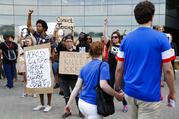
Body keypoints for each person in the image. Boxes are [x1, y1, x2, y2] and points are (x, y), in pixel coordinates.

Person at [115, 1, 176, 119]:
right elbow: (168, 70)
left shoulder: (126, 39)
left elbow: (119, 69)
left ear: (136, 17)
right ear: (152, 16)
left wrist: (117, 88)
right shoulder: (162, 39)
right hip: (149, 96)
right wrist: (172, 92)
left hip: (130, 93)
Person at [64, 41, 124, 119]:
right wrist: (117, 95)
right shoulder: (104, 65)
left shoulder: (84, 67)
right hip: (93, 105)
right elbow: (103, 85)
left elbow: (77, 87)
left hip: (81, 103)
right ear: (103, 51)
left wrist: (68, 103)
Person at [27, 9, 54, 112]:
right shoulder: (36, 35)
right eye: (37, 26)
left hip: (47, 63)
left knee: (47, 83)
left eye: (39, 26)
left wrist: (52, 56)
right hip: (38, 64)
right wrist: (29, 15)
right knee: (40, 83)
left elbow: (54, 50)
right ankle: (42, 104)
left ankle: (49, 104)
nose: (37, 27)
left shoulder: (49, 38)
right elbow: (29, 26)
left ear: (44, 28)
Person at [107, 31, 128, 112]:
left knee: (120, 89)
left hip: (120, 71)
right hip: (111, 70)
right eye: (112, 37)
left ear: (119, 38)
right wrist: (105, 25)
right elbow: (104, 36)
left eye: (115, 37)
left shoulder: (122, 47)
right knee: (110, 88)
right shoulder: (110, 45)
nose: (113, 38)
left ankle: (125, 104)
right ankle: (110, 105)